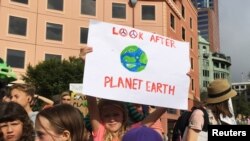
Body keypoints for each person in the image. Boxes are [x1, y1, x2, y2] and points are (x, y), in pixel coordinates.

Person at [87, 96, 166, 141]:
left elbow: (150, 120)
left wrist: (170, 103)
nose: (112, 119)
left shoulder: (130, 132)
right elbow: (91, 103)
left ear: (123, 116)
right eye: (107, 116)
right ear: (101, 117)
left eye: (116, 114)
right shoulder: (100, 132)